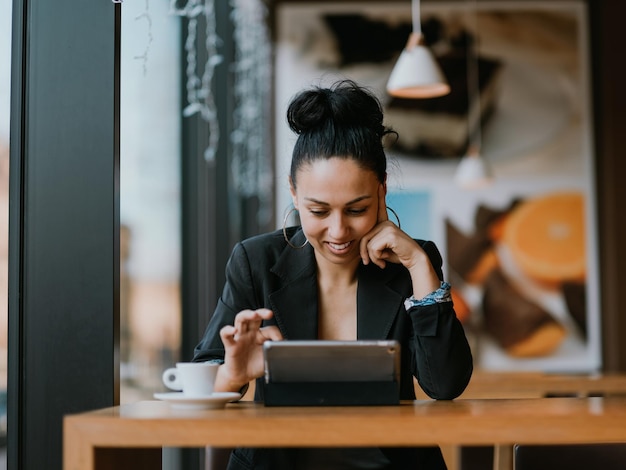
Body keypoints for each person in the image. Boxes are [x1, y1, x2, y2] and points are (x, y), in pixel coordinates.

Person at [193, 79, 473, 469]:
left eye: (356, 209)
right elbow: (205, 377)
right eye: (319, 211)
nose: (338, 231)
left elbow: (445, 385)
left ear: (381, 191)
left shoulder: (413, 261)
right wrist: (231, 376)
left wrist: (417, 265)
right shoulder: (255, 260)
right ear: (294, 193)